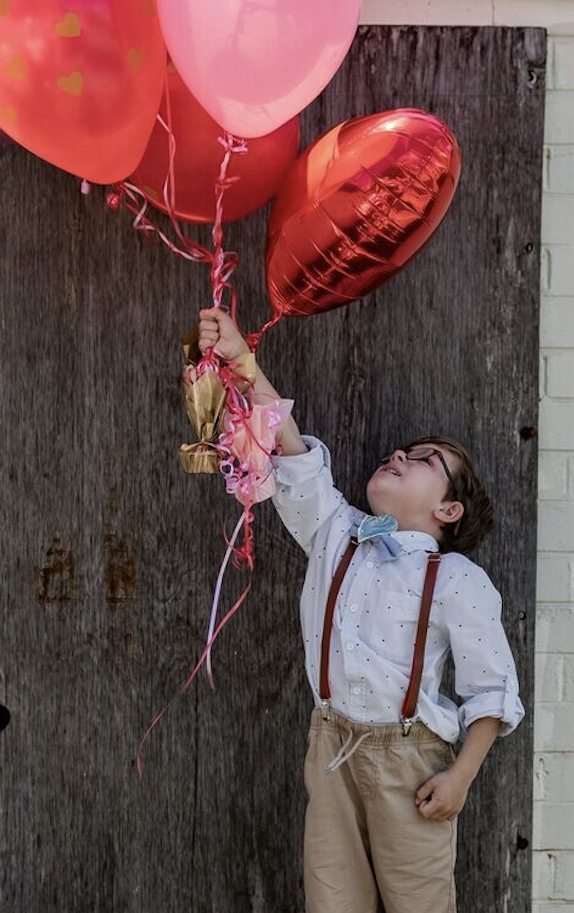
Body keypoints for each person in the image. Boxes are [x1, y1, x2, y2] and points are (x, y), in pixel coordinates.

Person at [198, 307, 524, 913]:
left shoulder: (455, 578)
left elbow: (492, 690)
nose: (400, 455)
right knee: (332, 901)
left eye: (424, 461)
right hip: (329, 749)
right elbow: (291, 450)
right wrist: (244, 364)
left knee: (419, 904)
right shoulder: (336, 533)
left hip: (410, 762)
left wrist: (460, 777)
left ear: (448, 512)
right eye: (403, 451)